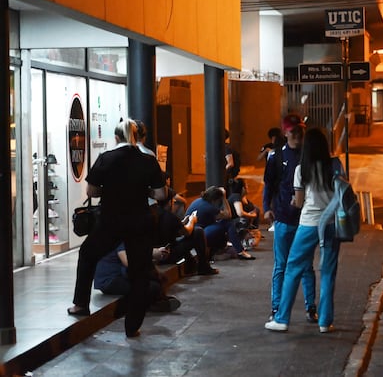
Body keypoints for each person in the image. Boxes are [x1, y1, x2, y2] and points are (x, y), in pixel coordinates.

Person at [68, 118, 167, 338]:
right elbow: (160, 195)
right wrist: (143, 192)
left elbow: (91, 192)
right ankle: (132, 327)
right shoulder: (147, 161)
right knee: (139, 273)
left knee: (87, 255)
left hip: (111, 222)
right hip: (140, 222)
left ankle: (80, 304)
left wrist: (111, 191)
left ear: (115, 138)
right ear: (135, 137)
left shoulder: (106, 158)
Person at [265, 128, 343, 333]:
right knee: (328, 271)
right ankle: (325, 322)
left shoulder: (302, 169)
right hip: (332, 224)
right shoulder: (335, 165)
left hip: (309, 222)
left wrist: (294, 200)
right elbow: (341, 192)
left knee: (293, 268)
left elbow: (299, 203)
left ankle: (282, 319)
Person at [262, 114, 317, 323]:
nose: (297, 135)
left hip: (305, 219)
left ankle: (310, 307)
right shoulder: (276, 157)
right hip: (284, 218)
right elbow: (269, 185)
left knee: (306, 265)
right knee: (281, 265)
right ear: (285, 132)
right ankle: (276, 308)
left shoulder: (308, 156)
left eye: (300, 131)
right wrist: (267, 208)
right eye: (293, 131)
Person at [94, 243, 181, 313]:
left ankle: (157, 301)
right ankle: (150, 305)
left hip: (114, 278)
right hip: (110, 281)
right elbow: (128, 262)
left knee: (153, 279)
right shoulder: (120, 240)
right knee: (152, 286)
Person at [186, 186, 255, 260]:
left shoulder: (198, 201)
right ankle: (240, 252)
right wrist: (224, 198)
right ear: (215, 200)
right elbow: (228, 215)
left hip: (194, 233)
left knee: (221, 225)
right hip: (200, 235)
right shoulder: (209, 207)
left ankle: (219, 250)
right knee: (228, 223)